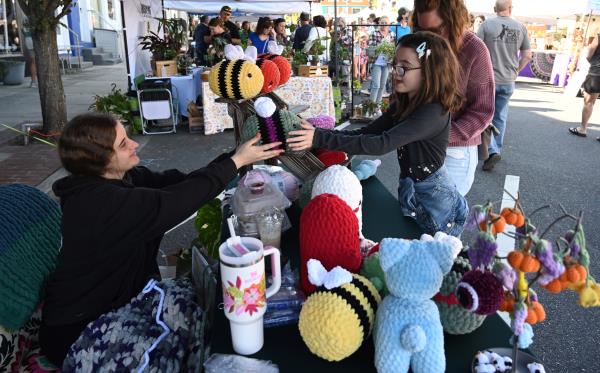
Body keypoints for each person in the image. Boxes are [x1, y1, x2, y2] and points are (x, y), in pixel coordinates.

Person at [39, 113, 283, 366]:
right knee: (178, 354)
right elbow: (176, 202)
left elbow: (185, 183)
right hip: (79, 328)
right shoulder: (99, 203)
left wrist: (238, 155)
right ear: (99, 160)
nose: (134, 144)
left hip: (124, 299)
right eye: (123, 144)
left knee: (200, 311)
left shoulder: (123, 178)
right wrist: (236, 161)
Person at [288, 32, 467, 236]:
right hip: (413, 186)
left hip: (434, 196)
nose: (396, 72)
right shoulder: (405, 103)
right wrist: (320, 135)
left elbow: (380, 144)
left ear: (429, 71)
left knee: (434, 251)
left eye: (404, 67)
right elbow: (367, 132)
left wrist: (319, 137)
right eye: (395, 65)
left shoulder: (432, 111)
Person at [411, 0, 494, 196]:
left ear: (453, 20)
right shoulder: (418, 45)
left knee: (437, 223)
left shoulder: (475, 50)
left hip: (453, 154)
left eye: (436, 30)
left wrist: (441, 136)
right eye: (422, 30)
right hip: (416, 147)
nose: (429, 38)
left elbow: (482, 112)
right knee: (412, 216)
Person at [477, 0, 531, 170]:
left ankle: (491, 151)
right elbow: (527, 55)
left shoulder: (486, 25)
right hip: (508, 80)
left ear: (495, 9)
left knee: (484, 115)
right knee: (500, 116)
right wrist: (516, 71)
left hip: (488, 79)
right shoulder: (521, 27)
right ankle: (496, 149)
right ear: (511, 8)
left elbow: (476, 51)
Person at [368, 16, 396, 105]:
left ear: (389, 24)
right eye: (382, 23)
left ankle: (377, 105)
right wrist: (381, 46)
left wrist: (391, 52)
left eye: (385, 23)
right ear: (379, 23)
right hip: (376, 62)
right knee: (376, 85)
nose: (383, 25)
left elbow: (394, 48)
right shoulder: (374, 33)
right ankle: (371, 106)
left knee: (382, 85)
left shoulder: (392, 34)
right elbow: (371, 48)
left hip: (387, 63)